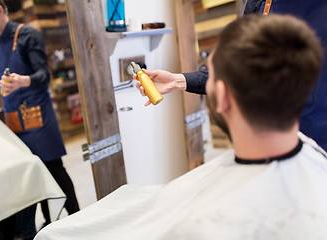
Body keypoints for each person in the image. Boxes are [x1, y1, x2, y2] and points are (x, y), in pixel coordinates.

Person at [35, 14, 327, 240]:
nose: (206, 79)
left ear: (223, 96)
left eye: (210, 74)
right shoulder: (315, 158)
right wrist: (180, 80)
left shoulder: (205, 228)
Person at [137, 0, 327, 155]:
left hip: (317, 137)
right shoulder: (260, 3)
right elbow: (238, 66)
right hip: (264, 144)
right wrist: (179, 80)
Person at [0, 0, 80, 239]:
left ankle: (77, 217)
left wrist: (22, 81)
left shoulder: (27, 35)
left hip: (38, 116)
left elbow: (43, 75)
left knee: (54, 168)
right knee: (27, 176)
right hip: (14, 119)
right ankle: (45, 225)